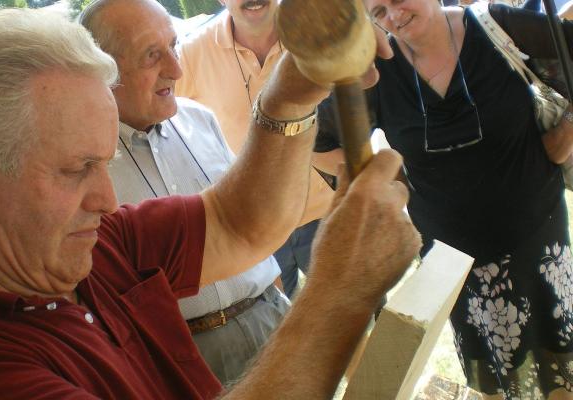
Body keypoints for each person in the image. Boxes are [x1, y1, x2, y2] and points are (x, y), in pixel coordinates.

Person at [0, 8, 420, 399]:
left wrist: (291, 92)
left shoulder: (83, 249)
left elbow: (238, 223)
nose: (107, 198)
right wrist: (340, 289)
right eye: (77, 168)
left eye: (105, 162)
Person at [313, 1, 573, 398]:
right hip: (456, 267)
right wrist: (389, 176)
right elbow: (318, 143)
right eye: (379, 11)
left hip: (539, 243)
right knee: (501, 384)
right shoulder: (375, 72)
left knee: (563, 368)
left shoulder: (495, 26)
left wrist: (564, 136)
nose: (393, 15)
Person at [79, 0, 290, 384]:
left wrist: (276, 297)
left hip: (272, 319)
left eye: (174, 46)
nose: (176, 69)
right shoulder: (82, 167)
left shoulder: (199, 119)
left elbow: (247, 226)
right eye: (151, 55)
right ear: (102, 69)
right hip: (185, 360)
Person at [176, 0, 333, 298]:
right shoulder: (191, 53)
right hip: (252, 230)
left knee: (352, 321)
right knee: (274, 333)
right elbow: (159, 120)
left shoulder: (315, 34)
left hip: (324, 213)